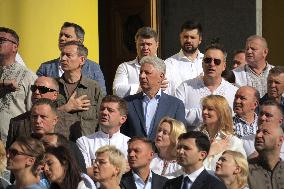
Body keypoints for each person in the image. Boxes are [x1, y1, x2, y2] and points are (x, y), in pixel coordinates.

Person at [122, 56, 186, 140]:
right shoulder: (128, 102)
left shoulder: (176, 105)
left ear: (161, 76)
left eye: (147, 73)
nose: (142, 76)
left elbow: (180, 137)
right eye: (141, 72)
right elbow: (122, 134)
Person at [6, 76, 81, 148]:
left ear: (55, 95)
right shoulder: (17, 122)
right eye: (34, 88)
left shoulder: (71, 122)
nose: (36, 92)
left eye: (42, 89)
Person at [176, 43, 238, 129]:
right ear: (202, 63)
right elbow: (176, 114)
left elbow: (237, 119)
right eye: (208, 60)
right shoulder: (185, 88)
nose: (212, 64)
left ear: (224, 66)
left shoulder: (234, 92)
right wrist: (206, 114)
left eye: (217, 61)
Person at [36, 22, 106, 95]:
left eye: (67, 36)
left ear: (79, 41)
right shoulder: (45, 68)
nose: (62, 38)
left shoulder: (93, 68)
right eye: (61, 35)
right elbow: (36, 96)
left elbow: (101, 96)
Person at [56, 41, 103, 136]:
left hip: (87, 146)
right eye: (62, 54)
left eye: (68, 55)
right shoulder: (53, 85)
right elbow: (43, 115)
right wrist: (66, 108)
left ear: (82, 60)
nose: (63, 59)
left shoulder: (94, 87)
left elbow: (102, 119)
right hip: (60, 144)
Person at [76, 95, 130, 178]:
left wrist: (97, 169)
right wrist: (120, 168)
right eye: (102, 109)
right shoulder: (85, 142)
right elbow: (83, 172)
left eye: (110, 110)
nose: (104, 112)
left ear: (122, 119)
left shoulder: (129, 144)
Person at [0, 27, 37, 144]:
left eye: (1, 40)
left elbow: (33, 112)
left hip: (13, 142)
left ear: (15, 47)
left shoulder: (28, 76)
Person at [200, 95, 246, 170]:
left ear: (221, 112)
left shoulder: (233, 142)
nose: (204, 112)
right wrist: (210, 152)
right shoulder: (195, 138)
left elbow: (241, 171)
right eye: (204, 108)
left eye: (210, 109)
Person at [113, 27, 159, 97]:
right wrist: (143, 88)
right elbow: (117, 90)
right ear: (136, 44)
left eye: (149, 44)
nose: (145, 48)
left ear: (157, 45)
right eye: (142, 44)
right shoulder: (125, 67)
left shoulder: (167, 66)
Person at [248, 101, 284, 189]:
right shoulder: (243, 141)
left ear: (280, 121)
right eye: (261, 114)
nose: (263, 118)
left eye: (268, 115)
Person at [165, 20, 204, 95]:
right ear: (180, 37)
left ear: (200, 40)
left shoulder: (209, 62)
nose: (188, 40)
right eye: (185, 37)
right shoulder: (169, 64)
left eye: (192, 37)